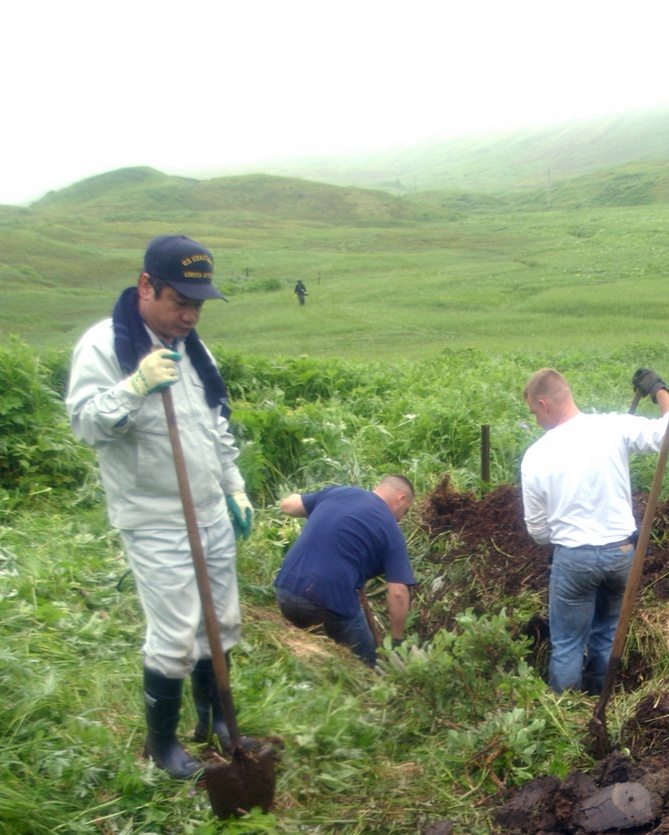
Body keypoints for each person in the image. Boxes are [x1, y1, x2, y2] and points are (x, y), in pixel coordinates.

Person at [66, 234, 256, 778]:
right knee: (175, 636)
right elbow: (84, 424)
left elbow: (211, 422)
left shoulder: (193, 347)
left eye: (198, 304)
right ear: (147, 285)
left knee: (220, 622)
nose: (191, 315)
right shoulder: (106, 345)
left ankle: (214, 719)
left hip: (208, 510)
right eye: (180, 301)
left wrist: (233, 483)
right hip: (156, 519)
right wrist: (135, 386)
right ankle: (163, 745)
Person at [519, 367, 669, 694]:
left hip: (574, 560)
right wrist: (658, 390)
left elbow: (537, 529)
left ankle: (567, 712)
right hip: (621, 554)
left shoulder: (536, 456)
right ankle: (600, 699)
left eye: (533, 412)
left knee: (568, 643)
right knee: (607, 632)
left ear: (543, 404)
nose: (536, 420)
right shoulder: (612, 427)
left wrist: (553, 541)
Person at [274, 477, 416, 665]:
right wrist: (397, 641)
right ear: (400, 498)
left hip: (285, 592)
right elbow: (398, 593)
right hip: (327, 600)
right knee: (367, 665)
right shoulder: (391, 530)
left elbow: (287, 506)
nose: (400, 519)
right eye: (404, 511)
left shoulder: (338, 493)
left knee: (311, 659)